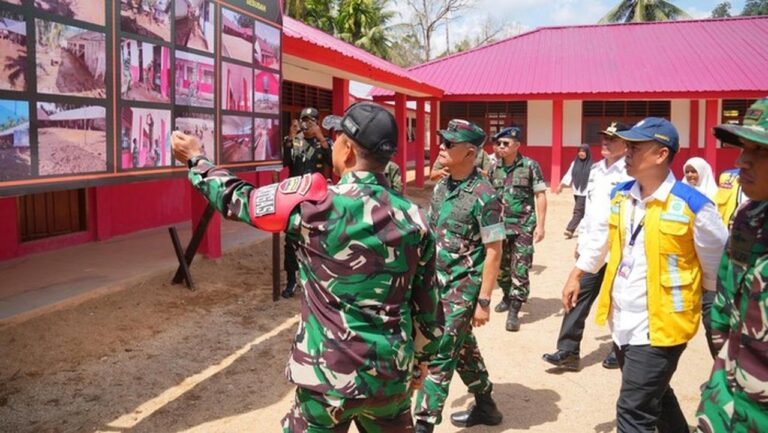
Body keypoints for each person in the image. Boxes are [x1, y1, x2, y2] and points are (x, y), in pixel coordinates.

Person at [171, 101, 443, 433]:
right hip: (390, 378)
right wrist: (420, 364)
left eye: (338, 138)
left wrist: (197, 160)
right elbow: (429, 309)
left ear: (346, 150)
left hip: (326, 380)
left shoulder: (315, 208)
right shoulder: (415, 218)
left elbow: (239, 200)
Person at [562, 117, 728, 433]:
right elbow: (601, 240)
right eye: (628, 145)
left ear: (661, 154)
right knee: (657, 395)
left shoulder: (694, 206)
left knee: (633, 410)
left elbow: (716, 271)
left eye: (636, 147)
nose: (627, 151)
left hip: (662, 326)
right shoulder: (621, 195)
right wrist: (577, 274)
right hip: (623, 319)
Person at [413, 119, 505, 433]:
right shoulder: (442, 186)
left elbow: (494, 250)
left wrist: (484, 301)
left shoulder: (485, 195)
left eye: (449, 144)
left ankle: (423, 423)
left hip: (461, 290)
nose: (441, 147)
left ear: (469, 152)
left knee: (440, 352)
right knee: (462, 347)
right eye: (442, 141)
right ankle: (486, 405)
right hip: (435, 284)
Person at [696, 97, 768, 433]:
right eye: (743, 148)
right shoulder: (749, 218)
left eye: (761, 151)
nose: (742, 161)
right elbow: (724, 311)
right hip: (726, 404)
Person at [542, 121, 631, 371]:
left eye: (612, 139)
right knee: (577, 294)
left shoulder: (630, 173)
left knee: (619, 300)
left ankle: (620, 349)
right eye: (604, 137)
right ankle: (568, 351)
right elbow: (589, 212)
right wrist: (582, 241)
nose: (606, 142)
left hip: (619, 250)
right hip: (592, 248)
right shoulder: (596, 170)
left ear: (626, 145)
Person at [489, 126, 547, 332]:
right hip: (498, 226)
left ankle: (515, 309)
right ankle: (506, 295)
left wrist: (541, 225)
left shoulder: (530, 166)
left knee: (520, 267)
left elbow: (540, 195)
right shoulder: (493, 167)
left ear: (517, 145)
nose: (500, 147)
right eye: (498, 143)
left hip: (523, 225)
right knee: (500, 267)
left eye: (505, 143)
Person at [281, 107, 332, 298]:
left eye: (311, 120)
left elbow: (333, 163)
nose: (307, 124)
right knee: (291, 239)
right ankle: (291, 279)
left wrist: (321, 138)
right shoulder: (294, 141)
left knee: (317, 238)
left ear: (317, 122)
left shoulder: (325, 142)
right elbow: (285, 162)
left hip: (316, 197)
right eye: (304, 120)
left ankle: (315, 280)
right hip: (295, 197)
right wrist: (290, 138)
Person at [553, 144, 593, 239]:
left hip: (586, 192)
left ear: (587, 153)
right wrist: (561, 185)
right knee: (584, 211)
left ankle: (570, 229)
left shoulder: (593, 165)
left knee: (578, 211)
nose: (581, 153)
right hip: (576, 191)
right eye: (580, 151)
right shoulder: (574, 163)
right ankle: (588, 229)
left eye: (583, 151)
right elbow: (569, 174)